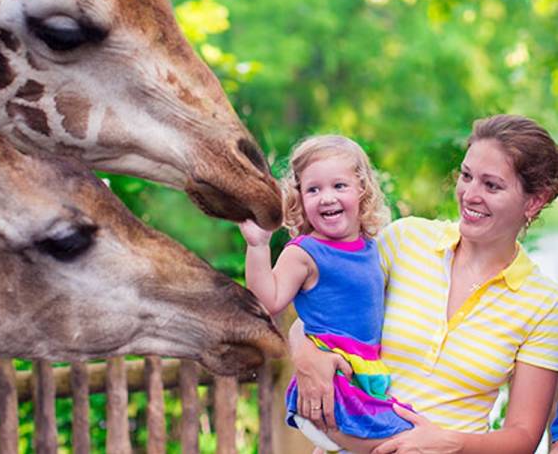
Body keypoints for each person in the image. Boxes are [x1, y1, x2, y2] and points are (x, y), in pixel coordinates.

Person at [289, 114, 558, 453]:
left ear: (534, 201)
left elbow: (523, 436)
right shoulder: (405, 240)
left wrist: (451, 443)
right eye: (467, 176)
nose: (470, 195)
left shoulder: (542, 303)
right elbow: (320, 317)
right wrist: (304, 352)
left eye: (492, 185)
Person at [239, 135, 414, 451]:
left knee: (408, 431)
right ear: (300, 198)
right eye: (313, 189)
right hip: (333, 385)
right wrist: (258, 246)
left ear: (362, 190)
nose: (326, 198)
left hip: (366, 376)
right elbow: (268, 301)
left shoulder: (371, 248)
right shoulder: (305, 252)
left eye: (339, 186)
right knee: (404, 444)